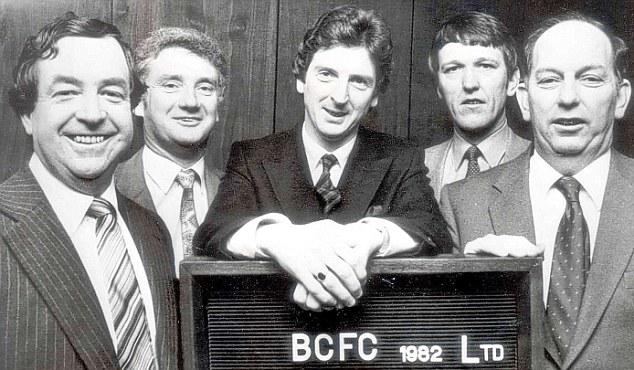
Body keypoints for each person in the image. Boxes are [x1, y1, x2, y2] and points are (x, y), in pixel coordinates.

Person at [194, 5, 452, 312]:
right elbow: (211, 234)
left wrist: (368, 236)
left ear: (375, 96)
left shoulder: (400, 157)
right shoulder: (252, 156)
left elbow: (433, 232)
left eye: (359, 82)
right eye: (327, 75)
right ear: (302, 80)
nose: (340, 96)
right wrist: (278, 238)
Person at [440, 12, 633, 369]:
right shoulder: (462, 203)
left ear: (621, 98)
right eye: (549, 80)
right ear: (525, 100)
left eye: (590, 78)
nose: (568, 97)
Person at [1, 13, 179, 369]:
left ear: (133, 108)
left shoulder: (152, 232)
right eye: (67, 92)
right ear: (27, 114)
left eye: (112, 93)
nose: (93, 113)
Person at [116, 27, 225, 276]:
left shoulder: (242, 194)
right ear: (139, 103)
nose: (190, 102)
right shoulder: (108, 189)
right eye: (171, 85)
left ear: (217, 108)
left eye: (205, 88)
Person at [424, 11, 530, 199]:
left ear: (513, 81)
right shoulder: (417, 166)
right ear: (438, 87)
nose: (470, 84)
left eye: (485, 66)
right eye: (453, 69)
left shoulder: (539, 161)